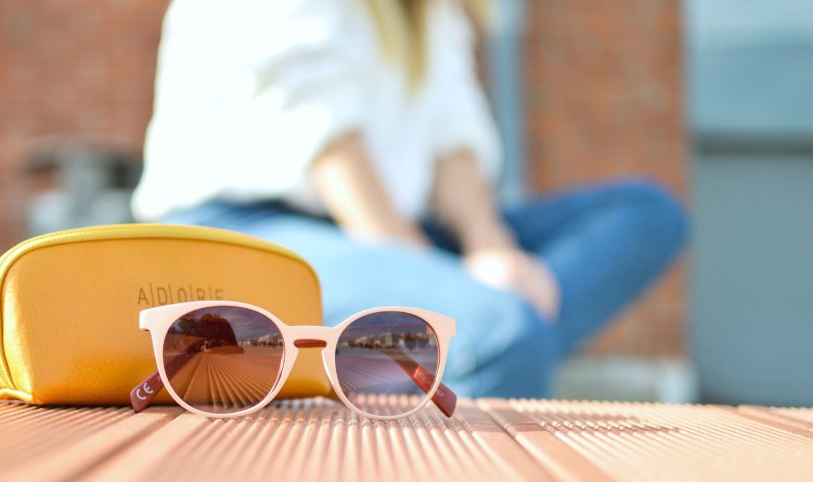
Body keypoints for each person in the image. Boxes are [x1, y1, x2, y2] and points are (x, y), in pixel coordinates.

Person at [132, 0, 687, 398]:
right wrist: (449, 287)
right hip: (250, 230)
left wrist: (490, 249)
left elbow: (453, 131)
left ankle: (408, 362)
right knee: (507, 336)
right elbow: (328, 143)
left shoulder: (429, 10)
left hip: (403, 227)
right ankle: (459, 357)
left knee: (644, 214)